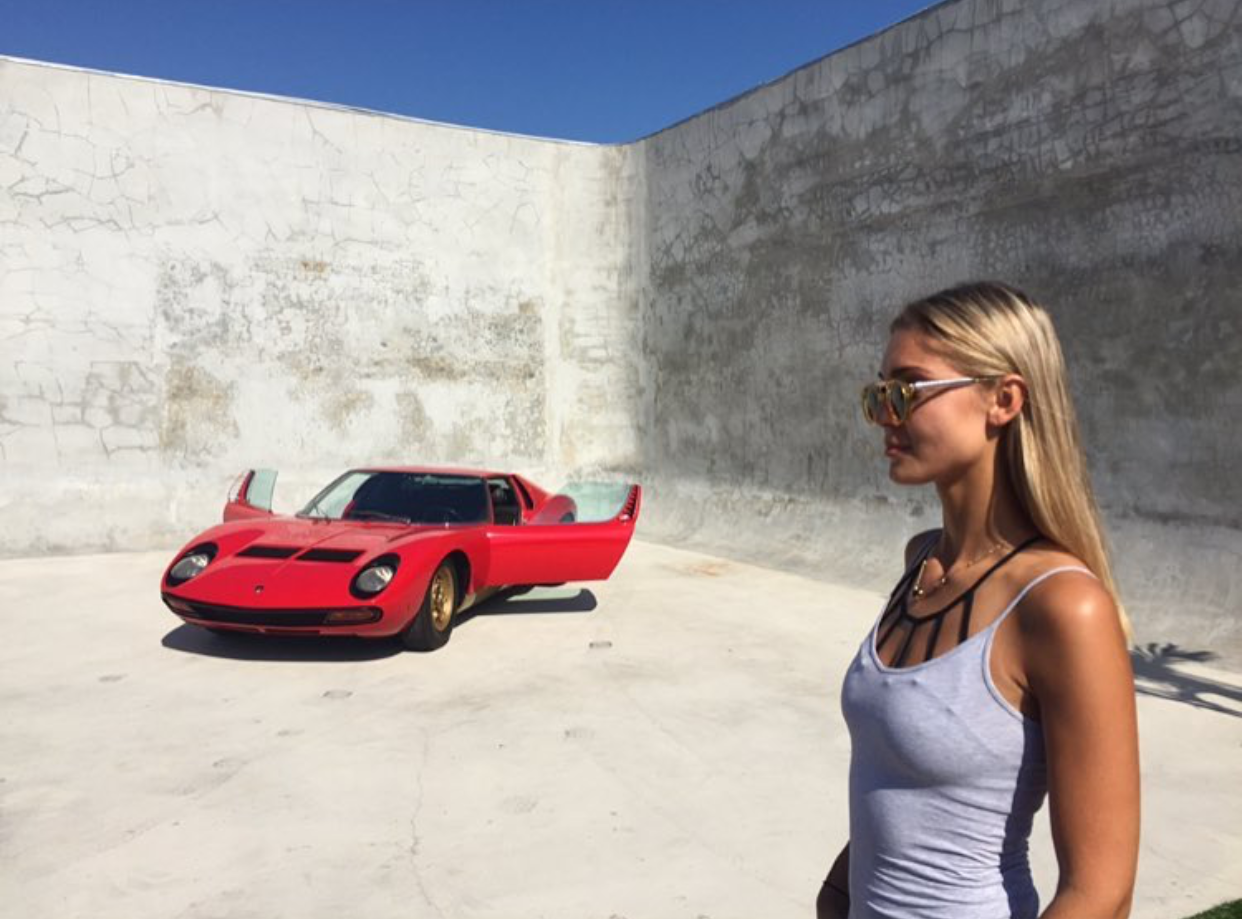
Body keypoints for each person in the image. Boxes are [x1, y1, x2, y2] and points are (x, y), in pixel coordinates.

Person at [817, 282, 1140, 919]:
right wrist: (835, 898)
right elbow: (901, 790)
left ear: (1004, 400)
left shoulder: (1062, 606)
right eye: (878, 393)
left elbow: (1101, 894)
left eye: (908, 389)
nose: (885, 413)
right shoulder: (920, 562)